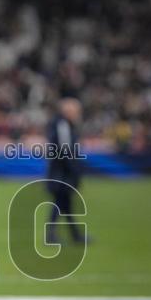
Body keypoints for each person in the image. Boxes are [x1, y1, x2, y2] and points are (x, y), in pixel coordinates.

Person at [45, 97, 86, 244]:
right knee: (60, 203)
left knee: (64, 205)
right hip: (62, 174)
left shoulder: (63, 124)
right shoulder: (62, 125)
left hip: (61, 172)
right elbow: (65, 150)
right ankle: (53, 235)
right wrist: (74, 170)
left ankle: (74, 235)